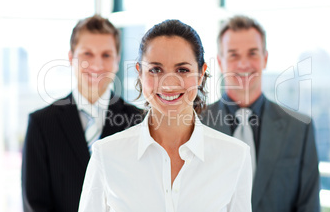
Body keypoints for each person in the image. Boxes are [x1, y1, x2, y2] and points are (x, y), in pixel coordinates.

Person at [78, 19, 252, 212]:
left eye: (182, 70)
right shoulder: (106, 155)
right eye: (156, 70)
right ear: (140, 73)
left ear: (201, 73)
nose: (169, 83)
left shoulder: (235, 156)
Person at [21, 15, 143, 212]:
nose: (96, 65)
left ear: (117, 60)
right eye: (87, 54)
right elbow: (34, 204)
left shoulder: (138, 121)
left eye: (106, 55)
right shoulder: (42, 124)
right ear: (71, 57)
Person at [201, 15, 320, 212]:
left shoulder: (299, 129)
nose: (244, 64)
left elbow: (309, 206)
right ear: (220, 62)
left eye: (252, 53)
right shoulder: (195, 124)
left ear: (265, 59)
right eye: (233, 55)